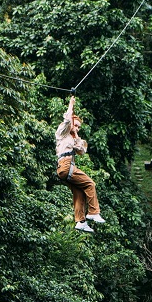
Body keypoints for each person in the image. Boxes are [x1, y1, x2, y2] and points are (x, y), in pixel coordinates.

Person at [55, 95, 105, 233]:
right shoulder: (62, 133)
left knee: (79, 192)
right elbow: (67, 119)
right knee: (90, 184)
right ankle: (94, 212)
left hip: (66, 168)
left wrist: (76, 136)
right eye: (75, 125)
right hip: (65, 165)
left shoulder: (73, 138)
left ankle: (80, 221)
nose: (76, 128)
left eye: (78, 127)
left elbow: (82, 151)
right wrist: (71, 104)